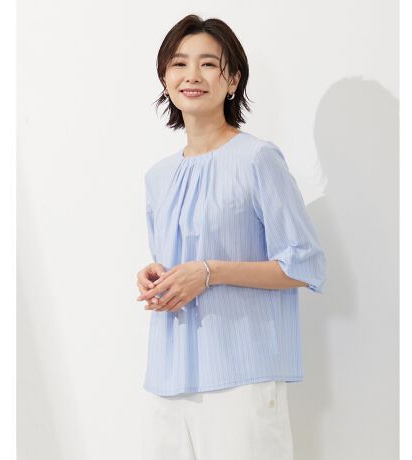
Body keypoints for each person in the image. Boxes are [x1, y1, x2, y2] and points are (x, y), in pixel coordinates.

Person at [136, 14, 326, 460]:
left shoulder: (258, 159)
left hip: (242, 379)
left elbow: (304, 263)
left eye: (208, 64)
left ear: (233, 80)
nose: (192, 75)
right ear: (164, 78)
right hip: (168, 381)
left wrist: (209, 272)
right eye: (179, 64)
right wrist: (157, 277)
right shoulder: (158, 177)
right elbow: (177, 262)